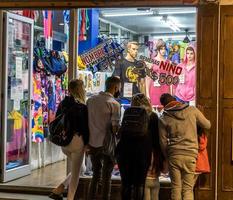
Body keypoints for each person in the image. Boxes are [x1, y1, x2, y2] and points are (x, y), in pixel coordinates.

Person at [158, 93, 211, 200]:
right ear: (175, 99)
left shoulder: (163, 118)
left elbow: (163, 142)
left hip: (174, 155)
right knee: (188, 189)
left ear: (164, 105)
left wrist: (167, 156)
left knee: (176, 188)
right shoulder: (192, 110)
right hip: (191, 154)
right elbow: (207, 125)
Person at [116, 93, 162, 200]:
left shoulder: (128, 113)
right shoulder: (152, 116)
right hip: (143, 153)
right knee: (139, 184)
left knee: (126, 182)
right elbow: (156, 140)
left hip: (124, 151)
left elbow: (122, 133)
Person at [49, 79, 89, 200]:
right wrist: (87, 143)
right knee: (76, 174)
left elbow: (57, 119)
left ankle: (59, 188)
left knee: (82, 168)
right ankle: (70, 197)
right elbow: (84, 128)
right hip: (77, 141)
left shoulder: (63, 103)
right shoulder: (81, 106)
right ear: (80, 89)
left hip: (64, 142)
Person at [87, 76, 121, 200]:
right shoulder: (114, 104)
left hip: (92, 142)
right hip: (107, 145)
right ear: (116, 87)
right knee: (107, 177)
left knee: (96, 174)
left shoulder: (90, 100)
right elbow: (114, 128)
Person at [146, 39, 170, 107]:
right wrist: (147, 93)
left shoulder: (168, 62)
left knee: (165, 109)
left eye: (164, 48)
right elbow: (148, 78)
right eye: (161, 49)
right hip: (154, 90)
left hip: (165, 89)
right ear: (158, 49)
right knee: (155, 110)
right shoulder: (152, 61)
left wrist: (171, 93)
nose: (163, 50)